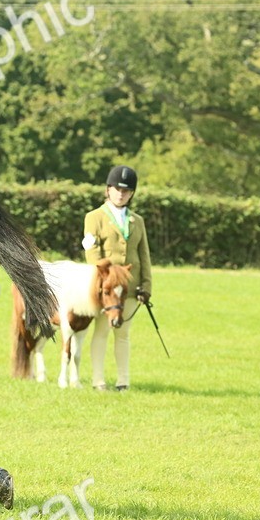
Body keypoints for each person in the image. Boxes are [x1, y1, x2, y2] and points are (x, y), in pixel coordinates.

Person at [82, 164, 153, 392]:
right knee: (101, 332)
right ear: (108, 190)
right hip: (107, 291)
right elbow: (92, 253)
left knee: (123, 334)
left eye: (126, 191)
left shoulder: (137, 221)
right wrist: (108, 277)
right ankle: (98, 380)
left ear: (131, 194)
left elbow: (144, 255)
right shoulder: (94, 218)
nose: (121, 194)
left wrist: (146, 285)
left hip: (130, 288)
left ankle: (123, 380)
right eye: (117, 189)